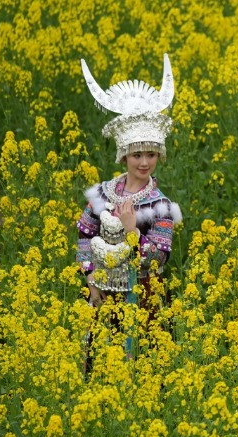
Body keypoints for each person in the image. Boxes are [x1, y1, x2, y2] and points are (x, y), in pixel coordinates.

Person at [76, 54, 182, 375]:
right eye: (137, 154)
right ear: (125, 155)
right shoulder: (103, 193)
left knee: (141, 370)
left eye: (151, 154)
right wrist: (91, 280)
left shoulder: (160, 205)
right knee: (99, 369)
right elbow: (84, 236)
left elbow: (159, 259)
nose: (144, 162)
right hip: (100, 295)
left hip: (143, 300)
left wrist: (132, 229)